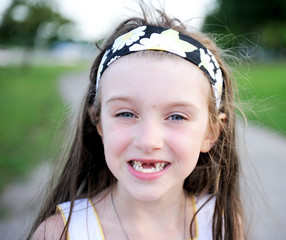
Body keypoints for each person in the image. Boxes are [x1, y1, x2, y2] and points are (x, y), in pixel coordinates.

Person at [28, 4, 246, 240]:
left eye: (176, 117)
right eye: (125, 114)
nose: (148, 141)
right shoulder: (59, 233)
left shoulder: (221, 224)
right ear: (99, 123)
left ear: (211, 133)